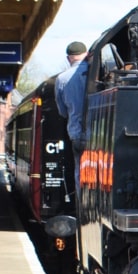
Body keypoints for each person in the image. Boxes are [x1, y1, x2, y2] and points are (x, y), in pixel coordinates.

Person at [57, 40, 89, 195]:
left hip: (76, 132)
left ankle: (81, 206)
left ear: (69, 58)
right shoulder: (95, 73)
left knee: (80, 170)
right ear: (87, 55)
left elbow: (62, 111)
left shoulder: (62, 79)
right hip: (102, 132)